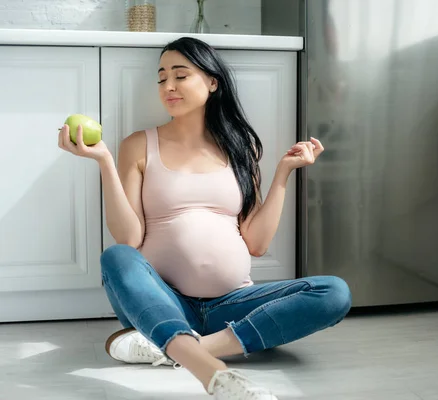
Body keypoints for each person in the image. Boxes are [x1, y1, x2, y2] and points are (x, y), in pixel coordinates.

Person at [57, 36, 352, 400]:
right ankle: (210, 369)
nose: (169, 86)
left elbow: (256, 243)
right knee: (116, 257)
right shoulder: (138, 144)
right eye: (162, 77)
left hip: (231, 306)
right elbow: (129, 239)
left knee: (334, 292)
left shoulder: (240, 147)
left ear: (213, 82)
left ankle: (179, 347)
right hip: (164, 302)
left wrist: (283, 173)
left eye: (181, 75)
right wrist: (104, 162)